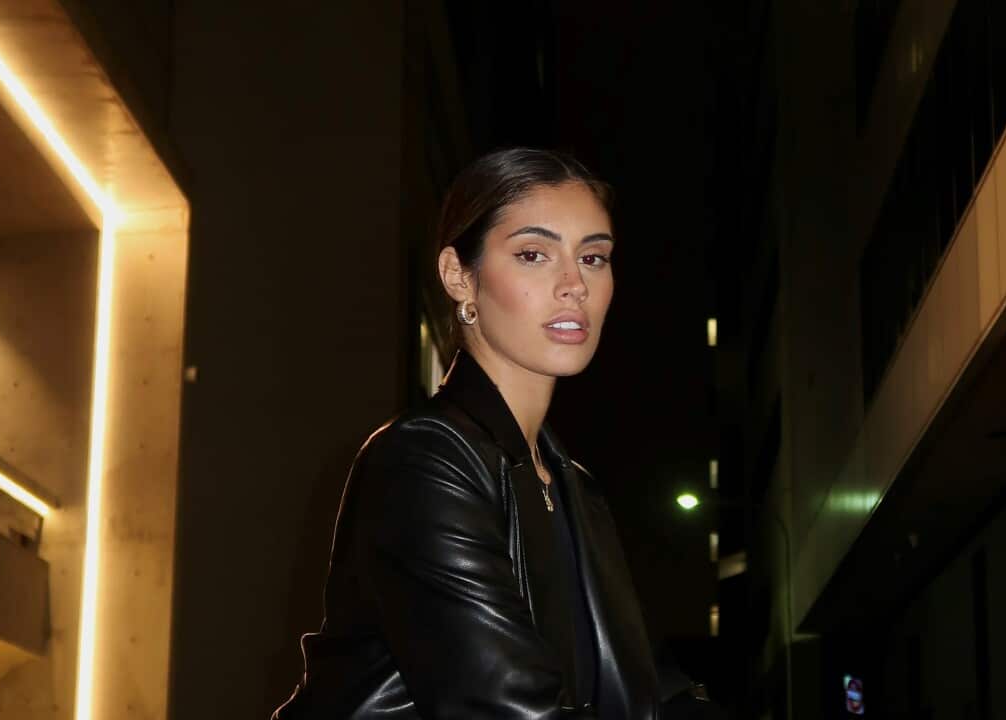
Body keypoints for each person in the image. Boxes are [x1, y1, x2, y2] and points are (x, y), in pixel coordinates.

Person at [273, 148, 720, 719]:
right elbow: (504, 706)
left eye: (593, 258)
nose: (574, 285)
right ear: (459, 277)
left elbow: (653, 690)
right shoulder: (424, 460)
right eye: (533, 254)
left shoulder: (573, 487)